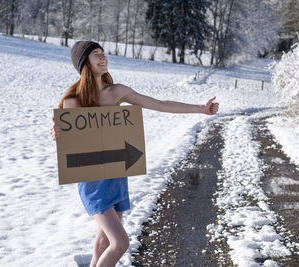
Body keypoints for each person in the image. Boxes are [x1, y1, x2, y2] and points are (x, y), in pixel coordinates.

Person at [50, 41, 219, 267]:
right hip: (92, 182)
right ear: (84, 64)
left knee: (103, 242)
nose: (103, 58)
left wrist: (200, 108)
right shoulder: (73, 101)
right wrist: (57, 133)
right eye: (96, 55)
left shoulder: (116, 91)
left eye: (103, 53)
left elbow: (159, 104)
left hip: (117, 175)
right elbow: (70, 143)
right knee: (120, 243)